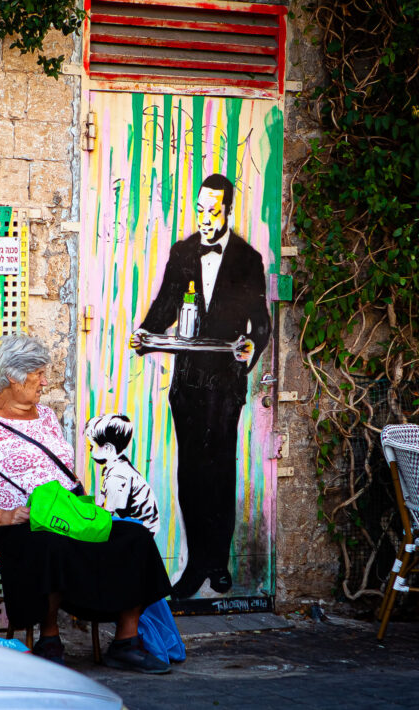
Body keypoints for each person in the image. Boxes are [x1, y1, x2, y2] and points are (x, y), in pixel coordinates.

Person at [0, 333, 173, 674]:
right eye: (38, 374)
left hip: (64, 514)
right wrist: (2, 516)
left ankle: (126, 641)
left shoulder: (47, 416)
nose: (44, 382)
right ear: (13, 376)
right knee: (50, 545)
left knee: (135, 538)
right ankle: (49, 639)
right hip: (22, 525)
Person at [130, 173, 271, 599]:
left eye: (214, 211)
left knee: (221, 470)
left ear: (228, 210)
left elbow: (260, 324)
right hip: (188, 384)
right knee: (190, 472)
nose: (206, 219)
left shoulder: (247, 259)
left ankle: (219, 561)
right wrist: (144, 335)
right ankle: (194, 565)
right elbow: (164, 308)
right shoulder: (183, 252)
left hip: (226, 384)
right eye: (200, 210)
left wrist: (252, 347)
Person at [85, 414, 161, 536]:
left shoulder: (118, 476)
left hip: (141, 530)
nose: (89, 450)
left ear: (108, 449)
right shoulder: (116, 466)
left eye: (92, 446)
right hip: (137, 525)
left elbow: (108, 515)